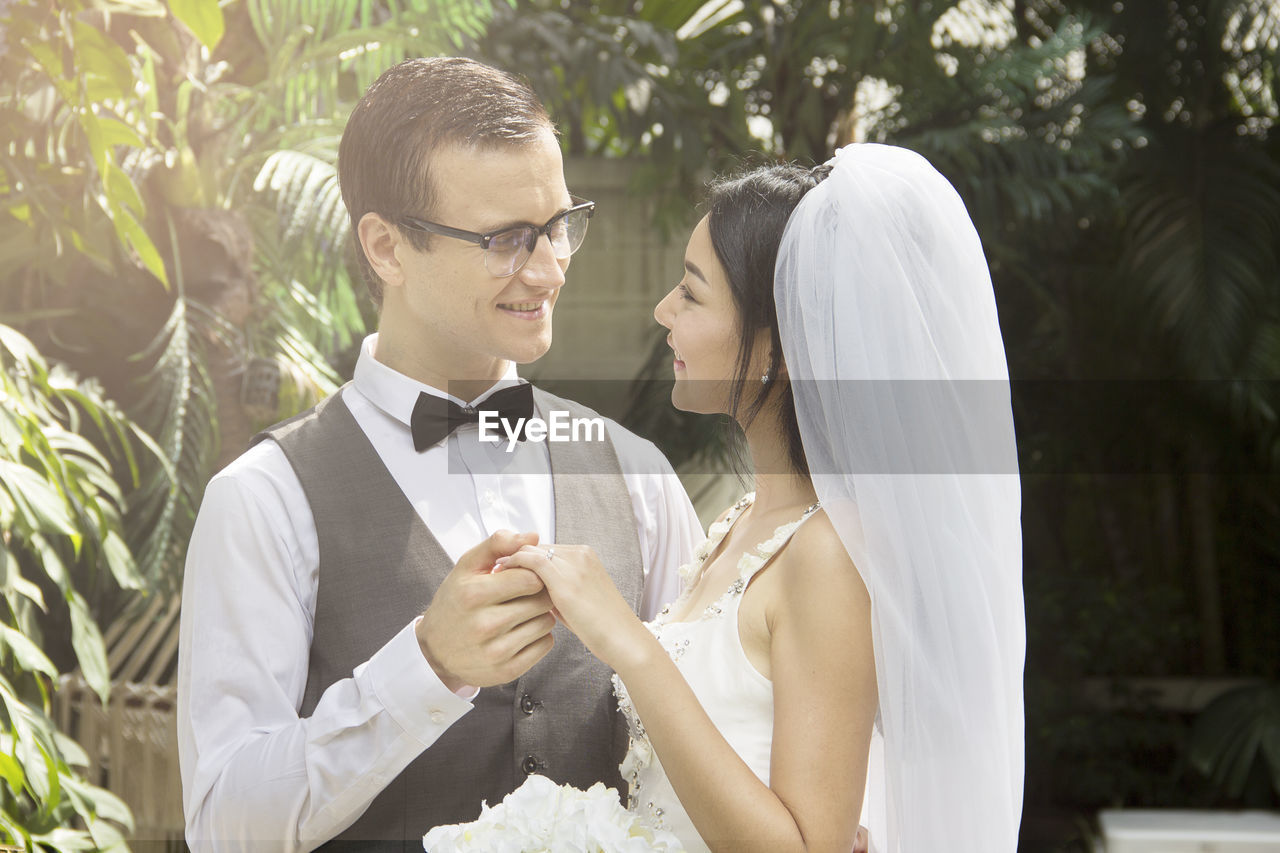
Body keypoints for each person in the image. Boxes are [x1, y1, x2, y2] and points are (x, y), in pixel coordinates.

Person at [176, 57, 705, 851]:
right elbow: (224, 823)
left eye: (560, 224)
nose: (550, 266)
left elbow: (711, 748)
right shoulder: (262, 500)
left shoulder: (637, 477)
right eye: (506, 239)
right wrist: (424, 666)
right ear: (387, 247)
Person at [498, 145, 1026, 852]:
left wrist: (625, 638)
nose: (663, 311)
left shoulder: (830, 553)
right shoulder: (739, 523)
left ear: (781, 338)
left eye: (691, 291)